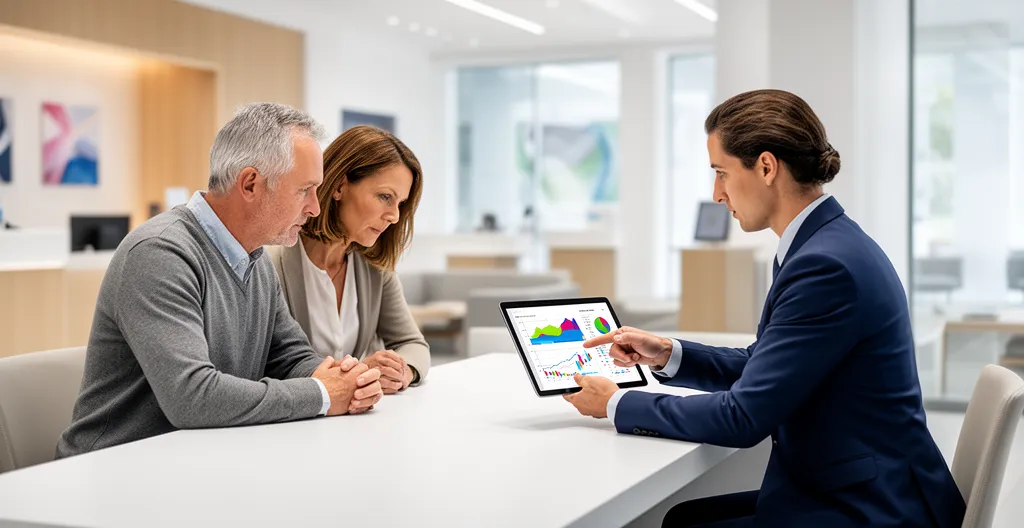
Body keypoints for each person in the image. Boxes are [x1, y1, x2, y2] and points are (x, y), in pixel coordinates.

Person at [563, 89, 965, 528]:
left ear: (767, 167)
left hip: (873, 506)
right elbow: (764, 363)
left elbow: (743, 417)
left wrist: (617, 403)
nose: (717, 194)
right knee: (680, 518)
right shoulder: (823, 243)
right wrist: (666, 352)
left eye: (721, 172)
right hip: (853, 481)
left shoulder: (825, 266)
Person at [56, 103, 384, 459]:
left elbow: (289, 356)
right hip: (112, 470)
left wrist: (346, 380)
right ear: (250, 184)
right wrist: (321, 394)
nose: (315, 208)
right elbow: (192, 397)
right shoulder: (159, 253)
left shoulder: (254, 258)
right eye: (305, 190)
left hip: (194, 459)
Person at [268, 125, 429, 393]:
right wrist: (359, 373)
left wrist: (403, 371)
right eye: (384, 197)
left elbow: (412, 344)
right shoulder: (272, 262)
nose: (394, 216)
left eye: (400, 203)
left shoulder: (375, 268)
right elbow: (267, 364)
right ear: (340, 186)